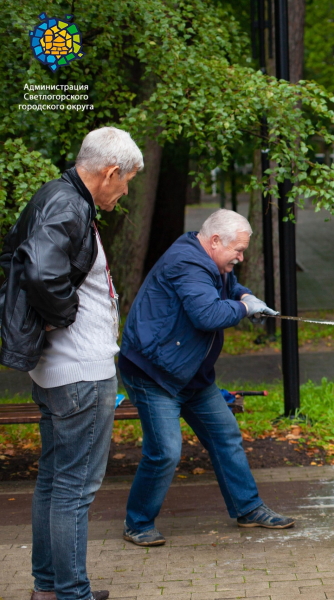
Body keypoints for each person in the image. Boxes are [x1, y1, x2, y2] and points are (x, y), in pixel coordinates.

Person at [0, 127, 144, 600]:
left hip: (62, 370)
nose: (125, 192)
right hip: (81, 370)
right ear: (110, 172)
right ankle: (71, 592)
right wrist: (61, 316)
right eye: (127, 183)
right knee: (74, 489)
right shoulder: (68, 203)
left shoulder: (58, 197)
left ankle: (49, 587)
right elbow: (41, 272)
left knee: (55, 481)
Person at [118, 209, 293, 547]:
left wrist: (244, 296)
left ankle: (248, 509)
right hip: (154, 373)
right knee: (165, 451)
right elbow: (208, 314)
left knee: (226, 435)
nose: (240, 258)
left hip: (190, 373)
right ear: (215, 241)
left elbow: (227, 283)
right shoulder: (187, 263)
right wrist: (245, 309)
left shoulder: (208, 259)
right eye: (238, 251)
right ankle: (137, 523)